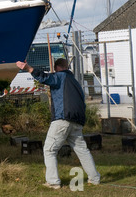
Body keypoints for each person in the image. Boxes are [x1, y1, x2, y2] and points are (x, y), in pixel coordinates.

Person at [15, 58, 100, 189]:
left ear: (58, 68)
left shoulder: (61, 76)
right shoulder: (75, 82)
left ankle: (53, 182)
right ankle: (94, 179)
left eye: (55, 70)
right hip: (77, 122)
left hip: (62, 119)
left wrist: (28, 68)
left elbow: (45, 78)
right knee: (82, 150)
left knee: (49, 150)